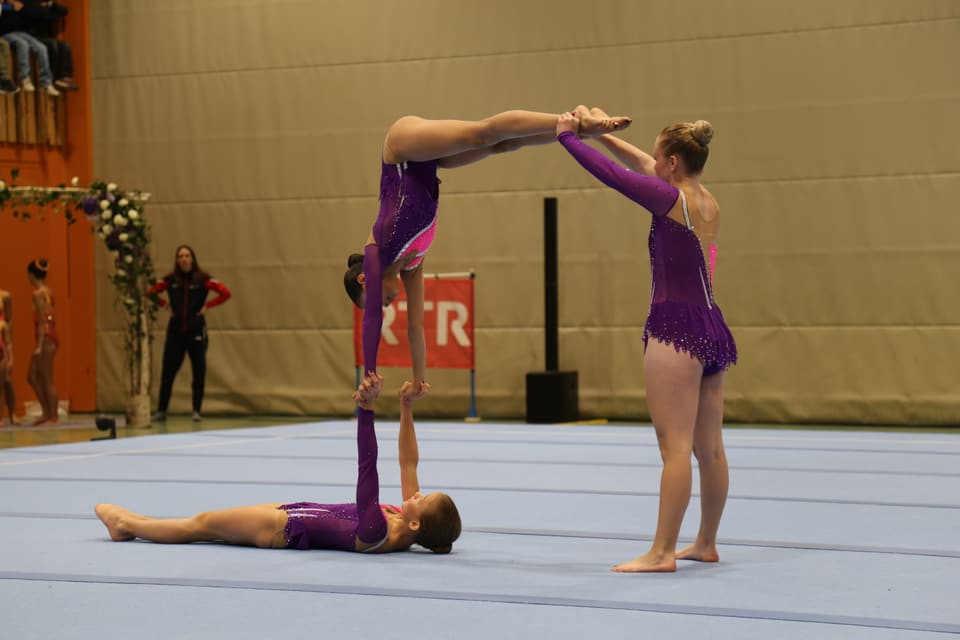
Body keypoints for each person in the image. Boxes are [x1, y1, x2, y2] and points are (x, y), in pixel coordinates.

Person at [556, 108, 737, 573]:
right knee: (709, 447)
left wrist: (569, 140)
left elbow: (617, 177)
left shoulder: (668, 200)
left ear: (673, 163)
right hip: (712, 323)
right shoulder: (706, 200)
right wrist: (602, 135)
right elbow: (638, 164)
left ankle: (661, 552)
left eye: (660, 159)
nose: (653, 164)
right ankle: (706, 542)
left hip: (674, 326)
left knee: (674, 446)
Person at [344, 108, 632, 389]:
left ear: (364, 279)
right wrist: (420, 380)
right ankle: (575, 130)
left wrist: (369, 373)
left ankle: (576, 121)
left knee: (483, 135)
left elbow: (371, 319)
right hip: (426, 164)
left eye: (377, 300)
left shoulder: (377, 248)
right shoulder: (412, 264)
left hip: (401, 150)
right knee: (504, 145)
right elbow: (416, 328)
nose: (384, 306)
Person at [95, 376, 462, 554]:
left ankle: (127, 524)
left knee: (202, 524)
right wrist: (405, 406)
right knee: (207, 526)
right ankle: (131, 524)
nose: (416, 491)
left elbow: (368, 469)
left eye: (422, 497)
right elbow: (408, 460)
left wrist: (366, 411)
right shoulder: (404, 520)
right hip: (294, 512)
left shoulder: (380, 531)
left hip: (281, 528)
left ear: (417, 523)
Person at [146, 245, 231, 423]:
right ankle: (161, 410)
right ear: (177, 260)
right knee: (168, 371)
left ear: (192, 258)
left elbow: (225, 293)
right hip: (176, 330)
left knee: (198, 370)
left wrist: (208, 306)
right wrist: (165, 305)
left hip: (196, 329)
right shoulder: (170, 280)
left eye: (187, 255)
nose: (184, 259)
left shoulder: (203, 279)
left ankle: (196, 410)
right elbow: (150, 292)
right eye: (180, 256)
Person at [0, 1, 60, 95]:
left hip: (20, 32)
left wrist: (21, 7)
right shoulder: (5, 6)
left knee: (42, 48)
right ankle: (25, 78)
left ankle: (46, 83)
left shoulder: (22, 4)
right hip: (5, 33)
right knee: (22, 44)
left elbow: (38, 13)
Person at [26, 259, 59, 426]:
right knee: (32, 376)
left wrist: (39, 345)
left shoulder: (38, 293)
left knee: (46, 378)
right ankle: (46, 412)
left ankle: (53, 416)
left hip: (45, 336)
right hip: (48, 335)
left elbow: (42, 320)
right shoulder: (48, 291)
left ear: (31, 274)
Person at [0, 287, 16, 424]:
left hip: (2, 339)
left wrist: (7, 340)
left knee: (7, 380)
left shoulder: (5, 295)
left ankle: (12, 413)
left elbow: (10, 319)